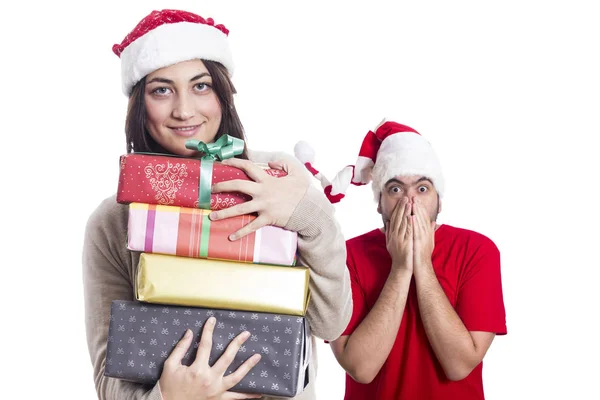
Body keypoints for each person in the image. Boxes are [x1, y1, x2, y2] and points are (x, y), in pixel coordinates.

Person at [82, 9, 352, 400]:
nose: (184, 110)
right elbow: (110, 380)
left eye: (201, 86)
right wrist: (170, 397)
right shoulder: (111, 221)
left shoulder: (274, 177)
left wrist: (305, 213)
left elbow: (330, 324)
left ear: (223, 92)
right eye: (161, 90)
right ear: (140, 104)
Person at [296, 120, 507, 399]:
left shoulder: (477, 251)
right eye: (395, 189)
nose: (410, 201)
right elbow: (360, 367)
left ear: (439, 200)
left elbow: (459, 365)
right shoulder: (346, 256)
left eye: (422, 189)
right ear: (379, 202)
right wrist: (401, 267)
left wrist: (422, 264)